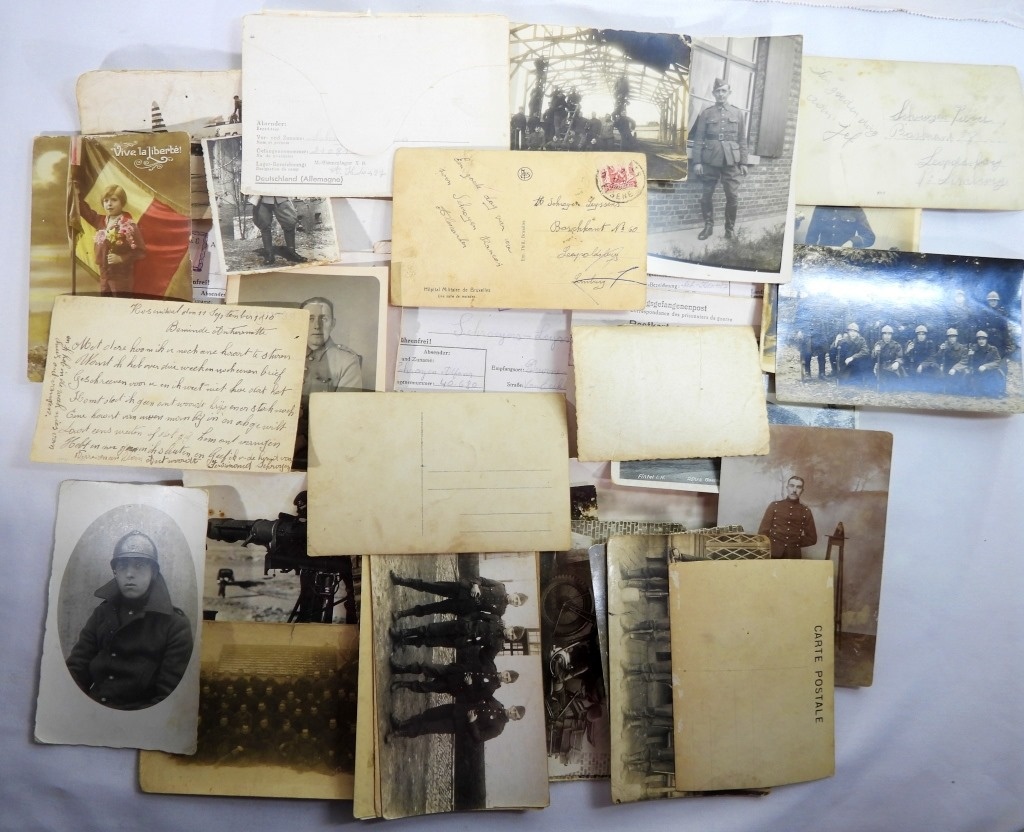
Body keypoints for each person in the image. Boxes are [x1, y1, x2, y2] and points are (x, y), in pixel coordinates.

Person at [65, 530, 193, 710]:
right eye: (123, 566)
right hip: (92, 710)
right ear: (115, 572)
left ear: (153, 572)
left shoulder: (175, 625)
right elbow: (76, 670)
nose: (130, 574)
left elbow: (168, 697)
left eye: (139, 565)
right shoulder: (103, 613)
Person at [692, 78, 748, 240]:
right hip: (710, 160)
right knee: (706, 194)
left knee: (732, 195)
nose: (721, 94)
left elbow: (742, 139)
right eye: (718, 91)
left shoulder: (737, 113)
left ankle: (729, 230)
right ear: (713, 93)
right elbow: (699, 139)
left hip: (731, 161)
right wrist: (697, 161)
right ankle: (708, 227)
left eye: (724, 91)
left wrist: (743, 162)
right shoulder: (706, 113)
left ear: (729, 93)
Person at [72, 183, 147, 296]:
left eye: (114, 200)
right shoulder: (100, 221)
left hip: (121, 276)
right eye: (106, 201)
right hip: (104, 274)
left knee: (120, 303)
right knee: (106, 302)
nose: (109, 204)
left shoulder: (129, 225)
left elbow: (140, 251)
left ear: (122, 203)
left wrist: (121, 258)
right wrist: (76, 194)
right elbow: (84, 211)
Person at [389, 570, 526, 617]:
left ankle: (401, 614)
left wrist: (470, 612)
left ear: (516, 606)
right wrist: (476, 586)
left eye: (517, 603)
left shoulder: (501, 611)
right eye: (516, 598)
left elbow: (481, 616)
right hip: (462, 589)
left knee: (432, 609)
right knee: (430, 586)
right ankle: (400, 581)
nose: (514, 601)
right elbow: (482, 579)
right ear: (515, 593)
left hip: (462, 606)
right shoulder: (500, 587)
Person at [386, 697, 524, 743]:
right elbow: (478, 694)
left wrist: (472, 722)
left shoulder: (498, 728)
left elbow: (479, 738)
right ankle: (401, 723)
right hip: (456, 709)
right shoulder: (497, 704)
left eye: (515, 715)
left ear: (514, 719)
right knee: (428, 715)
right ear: (512, 706)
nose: (512, 713)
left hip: (457, 725)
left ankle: (397, 734)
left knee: (427, 728)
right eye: (514, 710)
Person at [390, 658, 518, 700]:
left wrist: (469, 685)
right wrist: (458, 666)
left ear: (506, 682)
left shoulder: (490, 690)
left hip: (453, 685)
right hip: (453, 671)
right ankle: (400, 668)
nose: (504, 676)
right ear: (505, 671)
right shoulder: (490, 666)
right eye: (506, 674)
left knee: (426, 687)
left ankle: (402, 684)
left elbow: (473, 697)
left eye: (507, 679)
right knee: (427, 667)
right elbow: (474, 661)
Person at [757, 475, 817, 559]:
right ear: (787, 487)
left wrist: (795, 542)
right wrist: (774, 543)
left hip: (793, 555)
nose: (794, 490)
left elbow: (812, 538)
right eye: (792, 486)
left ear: (802, 491)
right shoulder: (774, 506)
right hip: (772, 553)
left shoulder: (806, 511)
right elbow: (762, 533)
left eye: (798, 487)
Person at [249, 195, 305, 266]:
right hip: (262, 199)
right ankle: (269, 254)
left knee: (289, 222)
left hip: (281, 197)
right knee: (264, 226)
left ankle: (291, 252)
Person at [951, 330, 1005, 397]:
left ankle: (996, 391)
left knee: (996, 376)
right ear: (977, 340)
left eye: (983, 339)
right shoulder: (973, 349)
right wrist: (969, 356)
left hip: (989, 373)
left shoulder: (992, 349)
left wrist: (986, 366)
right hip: (977, 373)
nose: (981, 341)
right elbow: (966, 362)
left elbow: (997, 361)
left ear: (986, 340)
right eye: (979, 339)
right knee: (975, 392)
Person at [804, 206, 876, 248]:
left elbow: (869, 237)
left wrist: (852, 242)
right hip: (824, 254)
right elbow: (811, 236)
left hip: (845, 255)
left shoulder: (855, 209)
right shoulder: (820, 208)